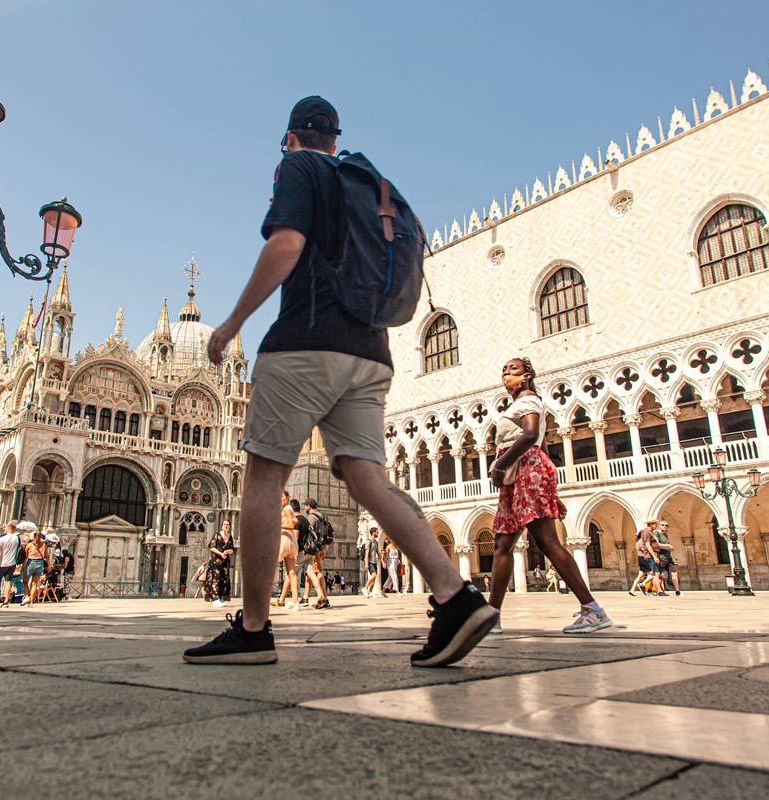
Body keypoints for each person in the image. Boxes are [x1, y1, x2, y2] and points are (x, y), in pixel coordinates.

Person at [185, 96, 496, 666]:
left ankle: (254, 629)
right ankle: (455, 595)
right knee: (365, 475)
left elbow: (286, 244)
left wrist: (233, 322)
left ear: (290, 137)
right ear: (336, 138)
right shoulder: (369, 180)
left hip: (307, 342)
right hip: (372, 351)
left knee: (262, 474)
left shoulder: (299, 168)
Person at [486, 357, 612, 635]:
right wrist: (550, 494)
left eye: (514, 369)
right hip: (520, 475)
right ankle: (491, 616)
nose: (507, 373)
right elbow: (542, 444)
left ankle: (592, 610)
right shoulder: (519, 404)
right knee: (501, 545)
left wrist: (501, 463)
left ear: (528, 375)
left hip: (525, 470)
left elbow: (531, 436)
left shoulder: (529, 400)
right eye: (504, 369)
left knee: (546, 542)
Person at [300, 499, 331, 609]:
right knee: (309, 572)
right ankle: (305, 597)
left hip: (314, 548)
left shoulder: (312, 517)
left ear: (309, 506)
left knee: (317, 572)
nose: (305, 508)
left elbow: (309, 531)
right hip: (320, 547)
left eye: (305, 506)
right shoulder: (320, 516)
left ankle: (324, 598)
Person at [275, 491, 300, 609]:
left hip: (284, 539)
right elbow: (295, 521)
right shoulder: (289, 509)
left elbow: (290, 525)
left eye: (282, 497)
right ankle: (295, 602)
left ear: (288, 497)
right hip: (290, 541)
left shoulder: (287, 508)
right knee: (291, 572)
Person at [204, 520, 235, 607]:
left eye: (227, 524)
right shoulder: (217, 535)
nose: (226, 526)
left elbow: (232, 549)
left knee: (224, 579)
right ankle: (215, 599)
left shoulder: (230, 537)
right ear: (222, 526)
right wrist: (221, 553)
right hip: (216, 561)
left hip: (225, 562)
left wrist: (227, 552)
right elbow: (211, 547)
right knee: (216, 579)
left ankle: (221, 598)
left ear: (229, 526)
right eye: (224, 524)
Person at [0, 523, 21, 608]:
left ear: (7, 529)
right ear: (14, 529)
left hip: (1, 563)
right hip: (12, 563)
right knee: (8, 581)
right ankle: (6, 600)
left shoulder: (2, 539)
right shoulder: (17, 539)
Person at [629, 520, 661, 596]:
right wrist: (653, 556)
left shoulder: (639, 542)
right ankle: (644, 586)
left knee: (640, 575)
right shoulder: (640, 542)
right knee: (652, 574)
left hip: (642, 559)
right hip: (644, 558)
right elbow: (645, 550)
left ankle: (632, 590)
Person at [655, 522, 681, 596]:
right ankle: (657, 590)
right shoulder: (656, 533)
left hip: (668, 558)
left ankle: (677, 591)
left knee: (674, 573)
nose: (665, 526)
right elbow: (657, 545)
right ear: (659, 526)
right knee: (660, 575)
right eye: (663, 525)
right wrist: (668, 545)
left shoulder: (665, 535)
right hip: (661, 558)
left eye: (667, 525)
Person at [22, 531, 49, 604]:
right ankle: (31, 601)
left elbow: (26, 557)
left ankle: (27, 596)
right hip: (40, 563)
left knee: (25, 582)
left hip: (31, 562)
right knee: (34, 583)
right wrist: (49, 565)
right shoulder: (44, 545)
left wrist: (23, 566)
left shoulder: (29, 545)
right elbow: (47, 556)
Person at [360, 527, 382, 598]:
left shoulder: (375, 542)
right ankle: (365, 588)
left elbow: (378, 552)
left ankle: (371, 592)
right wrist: (366, 563)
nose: (378, 533)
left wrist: (383, 561)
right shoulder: (368, 541)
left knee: (374, 578)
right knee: (374, 575)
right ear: (373, 533)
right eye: (377, 532)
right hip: (370, 562)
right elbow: (367, 553)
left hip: (375, 562)